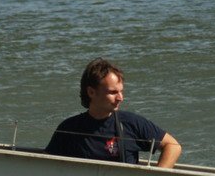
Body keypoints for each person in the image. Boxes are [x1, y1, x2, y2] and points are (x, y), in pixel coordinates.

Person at [46, 58, 182, 168]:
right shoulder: (68, 128)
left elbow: (173, 146)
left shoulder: (131, 123)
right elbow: (48, 167)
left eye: (121, 91)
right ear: (91, 92)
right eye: (113, 92)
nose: (120, 98)